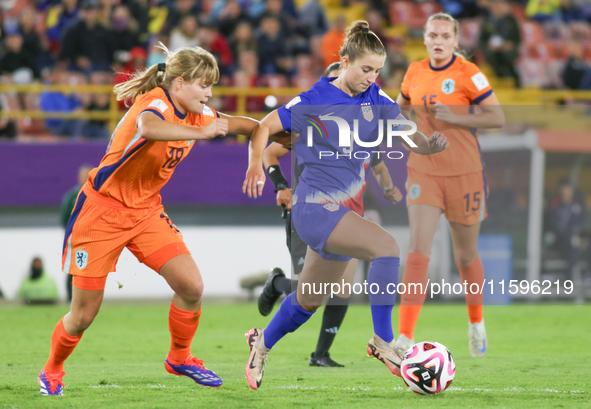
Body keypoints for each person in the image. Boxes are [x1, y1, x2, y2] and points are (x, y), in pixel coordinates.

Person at [38, 43, 259, 396]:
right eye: (204, 85)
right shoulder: (155, 102)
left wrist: (287, 135)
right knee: (82, 316)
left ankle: (180, 357)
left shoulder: (197, 113)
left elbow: (249, 126)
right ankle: (51, 370)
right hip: (100, 212)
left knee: (192, 287)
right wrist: (202, 133)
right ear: (180, 83)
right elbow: (148, 127)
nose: (210, 93)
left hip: (145, 213)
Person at [242, 21, 448, 389]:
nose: (371, 77)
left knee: (309, 300)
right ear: (344, 62)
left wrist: (427, 145)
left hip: (342, 213)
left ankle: (261, 344)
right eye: (365, 69)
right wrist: (255, 163)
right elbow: (263, 127)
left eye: (377, 71)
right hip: (313, 207)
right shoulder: (313, 99)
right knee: (387, 248)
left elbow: (406, 132)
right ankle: (384, 341)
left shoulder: (376, 99)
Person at [258, 62, 403, 368]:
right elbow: (269, 150)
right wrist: (280, 187)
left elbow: (377, 162)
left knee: (330, 292)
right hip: (313, 211)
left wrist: (389, 189)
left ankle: (312, 352)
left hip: (349, 217)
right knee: (313, 290)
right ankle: (277, 284)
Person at [395, 12, 505, 358]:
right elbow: (399, 112)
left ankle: (476, 323)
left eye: (445, 35)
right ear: (425, 39)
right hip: (423, 170)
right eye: (433, 35)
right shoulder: (414, 71)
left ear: (456, 41)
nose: (439, 41)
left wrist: (455, 116)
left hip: (464, 174)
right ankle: (405, 337)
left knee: (465, 255)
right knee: (418, 250)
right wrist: (407, 138)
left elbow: (497, 117)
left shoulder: (468, 74)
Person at [60, 164, 94, 301]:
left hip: (93, 238)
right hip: (76, 238)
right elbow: (64, 218)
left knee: (90, 268)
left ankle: (87, 300)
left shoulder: (98, 194)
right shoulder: (73, 196)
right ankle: (71, 298)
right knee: (75, 268)